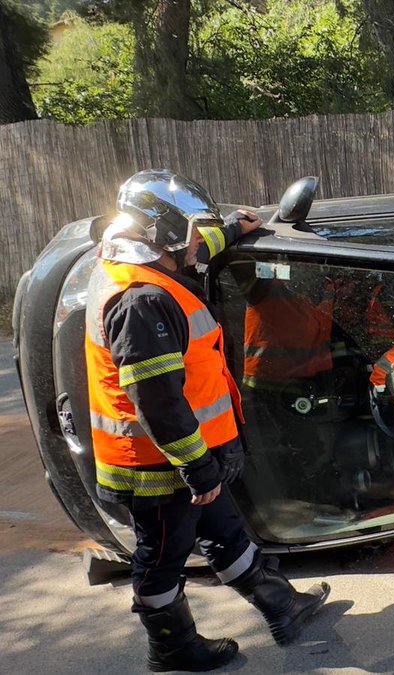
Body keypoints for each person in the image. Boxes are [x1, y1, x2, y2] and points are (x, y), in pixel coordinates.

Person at [85, 170, 331, 672]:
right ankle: (172, 647)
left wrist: (234, 232)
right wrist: (197, 468)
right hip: (159, 467)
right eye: (196, 228)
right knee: (161, 561)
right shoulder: (142, 299)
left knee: (226, 533)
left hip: (191, 457)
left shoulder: (143, 256)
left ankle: (281, 606)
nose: (202, 238)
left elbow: (194, 250)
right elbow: (157, 401)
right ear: (165, 231)